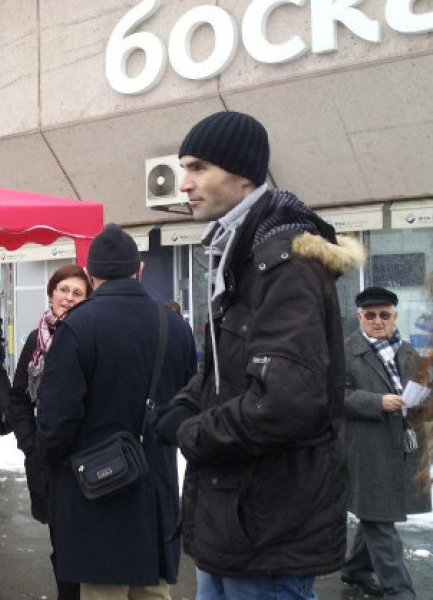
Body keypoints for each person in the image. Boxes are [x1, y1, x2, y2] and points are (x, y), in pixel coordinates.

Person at [153, 111, 366, 599]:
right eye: (183, 168)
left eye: (198, 167)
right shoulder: (241, 251)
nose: (183, 183)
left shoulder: (283, 261)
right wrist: (191, 398)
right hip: (235, 520)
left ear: (244, 173)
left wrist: (191, 432)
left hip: (269, 526)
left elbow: (285, 404)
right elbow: (235, 366)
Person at [36, 225, 196, 600]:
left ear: (91, 275)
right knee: (152, 591)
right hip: (156, 490)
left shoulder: (76, 327)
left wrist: (53, 465)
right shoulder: (175, 326)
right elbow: (191, 401)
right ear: (138, 270)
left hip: (96, 489)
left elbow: (56, 420)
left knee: (102, 591)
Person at [8, 263, 91, 600]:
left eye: (77, 293)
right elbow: (18, 398)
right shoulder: (36, 339)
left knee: (84, 549)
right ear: (52, 292)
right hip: (47, 462)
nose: (68, 298)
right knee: (61, 549)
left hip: (83, 461)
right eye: (63, 290)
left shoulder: (88, 336)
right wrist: (31, 444)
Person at [341, 286, 430, 598]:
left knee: (377, 511)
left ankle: (355, 570)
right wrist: (377, 402)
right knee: (379, 518)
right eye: (370, 315)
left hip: (401, 446)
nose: (377, 321)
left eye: (384, 315)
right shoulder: (346, 351)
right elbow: (334, 395)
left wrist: (423, 400)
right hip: (365, 447)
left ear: (394, 315)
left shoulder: (407, 350)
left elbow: (422, 387)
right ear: (359, 317)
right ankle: (400, 591)